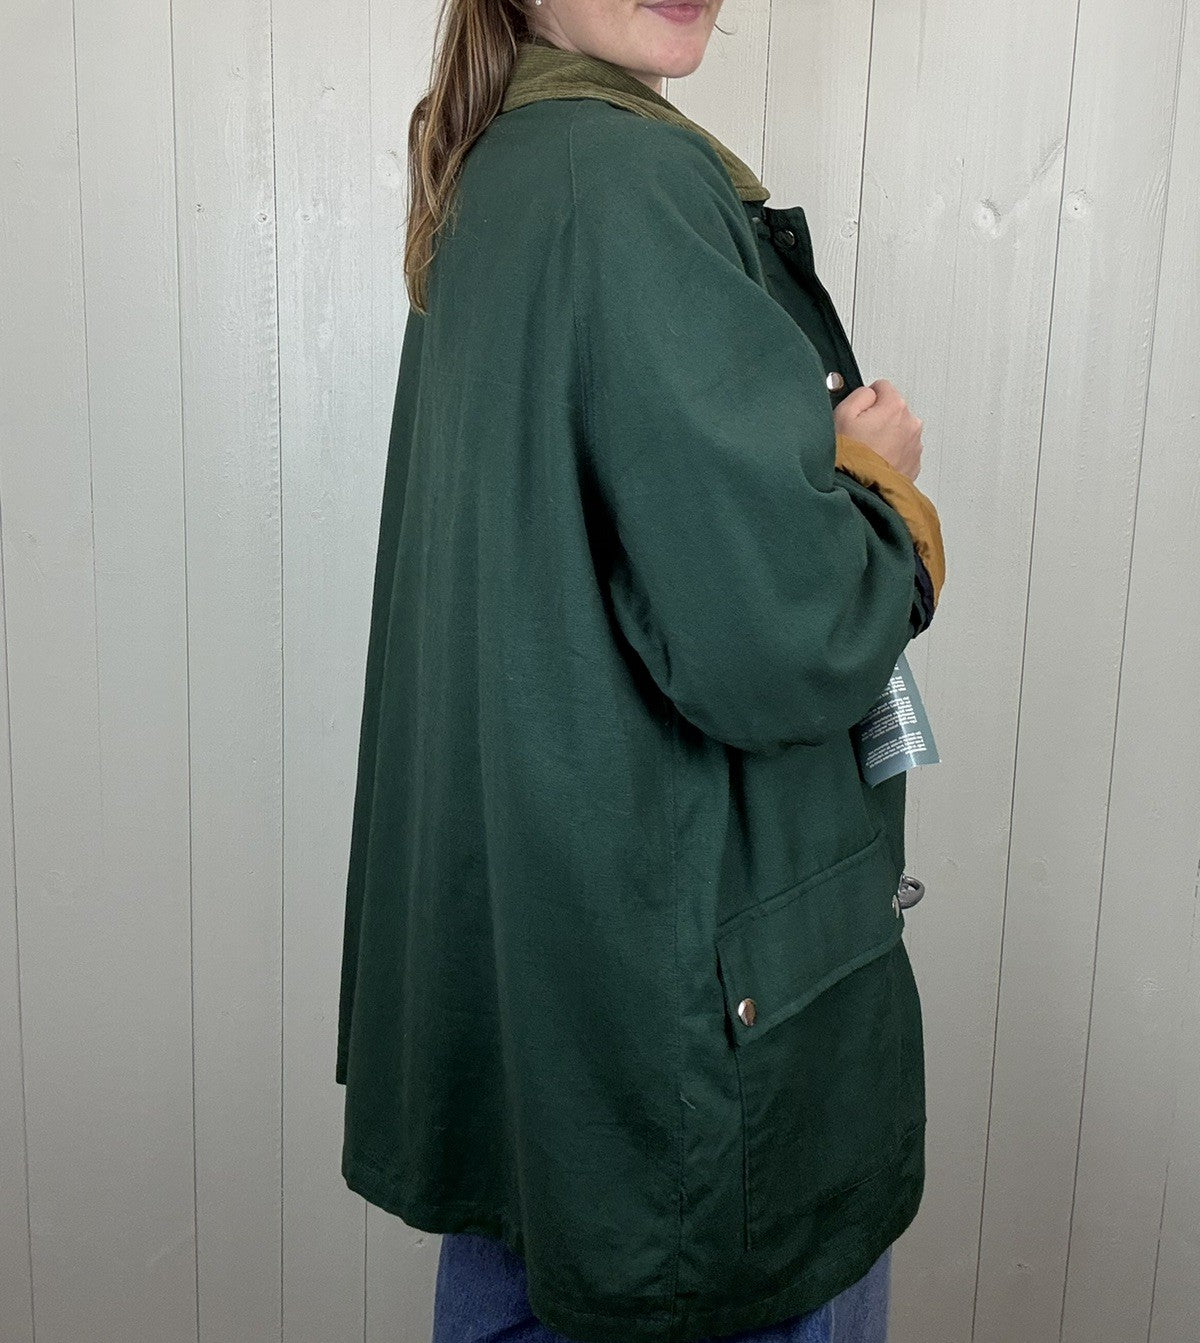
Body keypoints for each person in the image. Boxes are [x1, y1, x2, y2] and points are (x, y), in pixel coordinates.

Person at [336, 3, 947, 1341]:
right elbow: (779, 642)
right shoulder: (627, 180)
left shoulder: (497, 166)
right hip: (688, 1057)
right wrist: (882, 492)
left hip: (554, 1004)